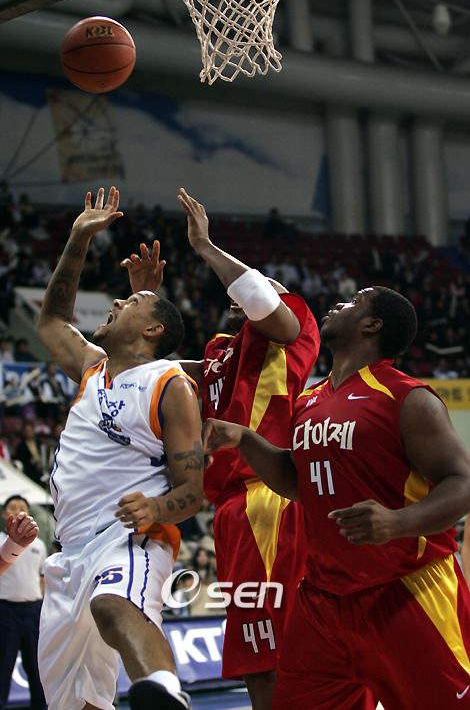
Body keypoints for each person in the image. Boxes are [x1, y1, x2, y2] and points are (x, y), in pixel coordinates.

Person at [203, 286, 470, 710]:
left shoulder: (407, 397)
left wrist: (398, 522)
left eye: (354, 302)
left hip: (404, 590)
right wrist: (245, 439)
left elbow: (462, 482)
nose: (337, 304)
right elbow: (297, 480)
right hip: (322, 601)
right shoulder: (309, 401)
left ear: (372, 325)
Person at [122, 188, 320, 710]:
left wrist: (206, 248)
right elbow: (144, 370)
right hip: (231, 507)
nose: (244, 291)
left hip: (267, 494)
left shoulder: (294, 329)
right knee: (254, 645)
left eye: (259, 283)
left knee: (276, 644)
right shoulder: (218, 352)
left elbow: (263, 302)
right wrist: (145, 303)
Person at [35, 187, 204, 710]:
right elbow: (50, 322)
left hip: (128, 534)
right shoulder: (93, 369)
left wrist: (155, 508)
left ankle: (167, 694)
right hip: (69, 550)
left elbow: (193, 492)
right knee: (76, 703)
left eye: (129, 303)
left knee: (113, 605)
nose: (114, 302)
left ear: (152, 329)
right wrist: (78, 239)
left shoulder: (170, 383)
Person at [0, 495, 46, 710]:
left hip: (34, 610)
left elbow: (42, 577)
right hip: (6, 609)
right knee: (3, 667)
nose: (18, 510)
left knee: (38, 669)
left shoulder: (40, 545)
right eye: (13, 507)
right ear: (4, 513)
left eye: (23, 507)